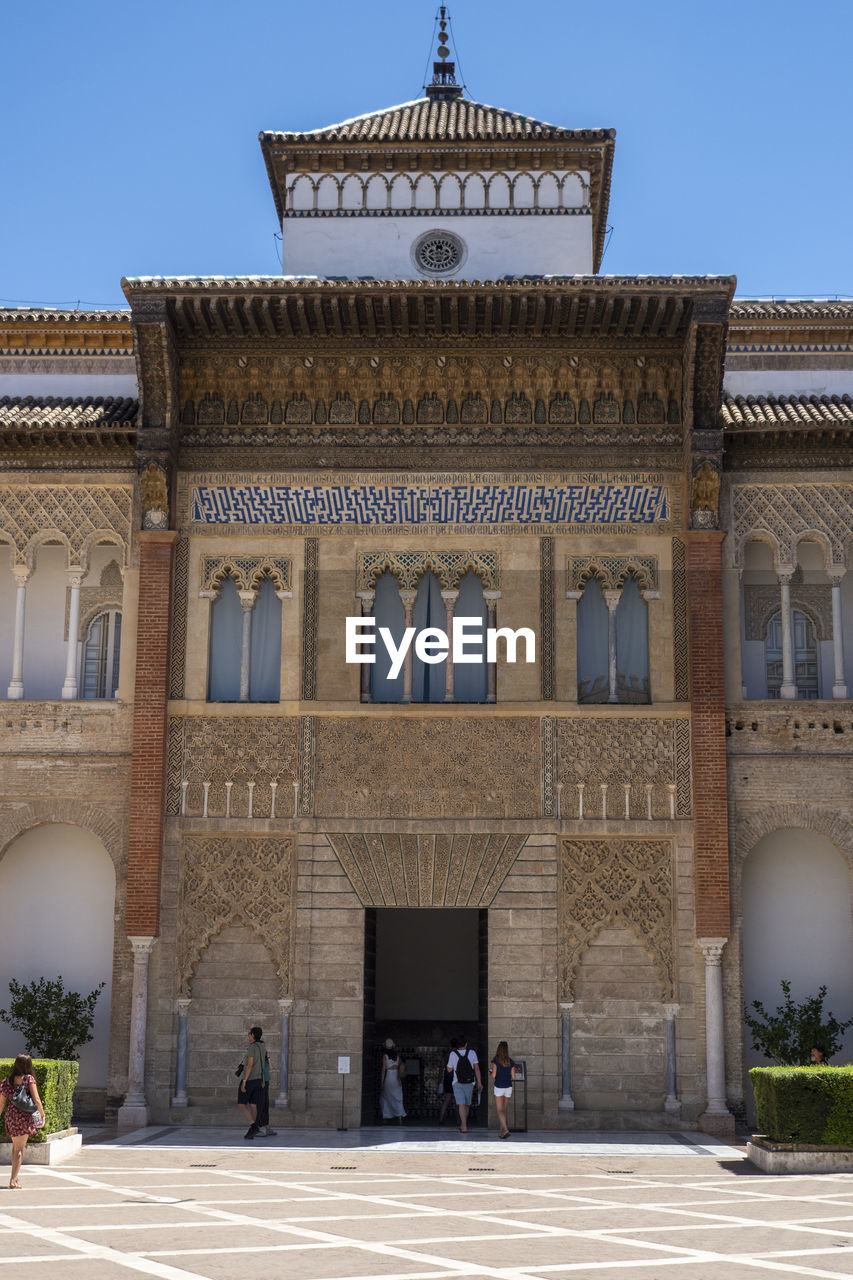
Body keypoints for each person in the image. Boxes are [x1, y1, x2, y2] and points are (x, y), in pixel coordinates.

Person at [0, 1054, 45, 1188]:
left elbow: (1, 1103)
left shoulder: (6, 1081)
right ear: (28, 1065)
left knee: (15, 1147)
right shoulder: (28, 1079)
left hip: (11, 1115)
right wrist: (42, 1115)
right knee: (19, 1149)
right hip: (23, 1116)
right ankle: (13, 1180)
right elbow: (36, 1099)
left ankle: (15, 1178)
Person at [447, 1036, 482, 1134]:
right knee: (467, 1104)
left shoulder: (453, 1054)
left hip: (457, 1082)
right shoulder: (472, 1053)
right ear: (466, 1044)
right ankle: (463, 1124)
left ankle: (464, 1126)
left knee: (461, 1104)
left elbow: (449, 1069)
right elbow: (477, 1068)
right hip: (470, 1082)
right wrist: (479, 1082)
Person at [237, 1026, 266, 1139]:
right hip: (259, 1080)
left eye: (249, 1034)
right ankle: (254, 1129)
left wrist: (244, 1081)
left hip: (250, 1080)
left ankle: (253, 1126)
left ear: (253, 1035)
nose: (248, 1036)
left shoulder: (252, 1047)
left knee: (241, 1104)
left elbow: (250, 1065)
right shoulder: (262, 1047)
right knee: (253, 1105)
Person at [489, 1041, 518, 1139]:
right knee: (504, 1110)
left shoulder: (495, 1061)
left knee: (500, 1110)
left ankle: (505, 1129)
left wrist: (490, 1072)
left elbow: (493, 1075)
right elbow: (513, 1077)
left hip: (499, 1087)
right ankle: (501, 1132)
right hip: (508, 1087)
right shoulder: (511, 1062)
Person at [254, 1030, 277, 1137]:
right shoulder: (257, 1058)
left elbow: (271, 1068)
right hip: (260, 1082)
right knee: (260, 1105)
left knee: (265, 1105)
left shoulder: (265, 1058)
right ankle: (257, 1127)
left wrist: (268, 1057)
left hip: (266, 1082)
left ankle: (267, 1127)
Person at [380, 1038, 406, 1123]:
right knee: (398, 1097)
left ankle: (386, 1117)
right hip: (396, 1077)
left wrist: (382, 1082)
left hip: (389, 1077)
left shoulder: (385, 1056)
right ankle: (400, 1117)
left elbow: (384, 1069)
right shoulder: (397, 1056)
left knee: (386, 1097)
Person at [438, 1036, 458, 1125]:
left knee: (446, 1100)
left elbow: (441, 1068)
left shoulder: (446, 1055)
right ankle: (459, 1120)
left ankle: (441, 1119)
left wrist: (439, 1080)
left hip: (447, 1078)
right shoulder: (458, 1054)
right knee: (458, 1101)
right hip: (456, 1078)